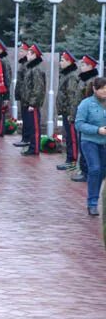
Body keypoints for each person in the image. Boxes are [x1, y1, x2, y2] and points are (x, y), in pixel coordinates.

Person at [75, 76, 106, 217]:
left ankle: (95, 198)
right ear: (94, 89)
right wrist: (97, 130)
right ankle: (92, 203)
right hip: (89, 142)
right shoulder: (86, 104)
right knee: (95, 168)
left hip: (104, 143)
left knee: (102, 172)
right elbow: (79, 124)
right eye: (102, 89)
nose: (104, 92)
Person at [18, 44, 46, 156]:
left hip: (32, 103)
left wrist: (32, 103)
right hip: (28, 102)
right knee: (31, 126)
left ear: (34, 55)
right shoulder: (32, 68)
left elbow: (38, 88)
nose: (27, 55)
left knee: (35, 127)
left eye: (29, 53)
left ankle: (35, 149)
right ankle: (32, 146)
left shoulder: (36, 69)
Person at [56, 50, 81, 170]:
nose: (60, 62)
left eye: (62, 60)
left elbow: (72, 97)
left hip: (69, 112)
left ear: (69, 62)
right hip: (66, 111)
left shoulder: (72, 76)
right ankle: (69, 158)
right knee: (68, 137)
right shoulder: (66, 74)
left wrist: (72, 114)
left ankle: (73, 160)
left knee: (72, 137)